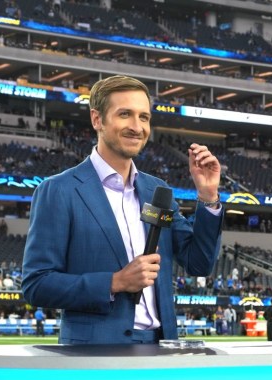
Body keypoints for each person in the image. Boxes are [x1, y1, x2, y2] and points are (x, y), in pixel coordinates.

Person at [22, 75, 224, 344]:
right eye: (125, 114)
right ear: (97, 120)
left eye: (144, 117)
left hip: (162, 350)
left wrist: (208, 195)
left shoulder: (157, 191)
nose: (136, 126)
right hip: (94, 356)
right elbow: (37, 285)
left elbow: (198, 263)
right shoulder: (59, 191)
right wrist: (115, 282)